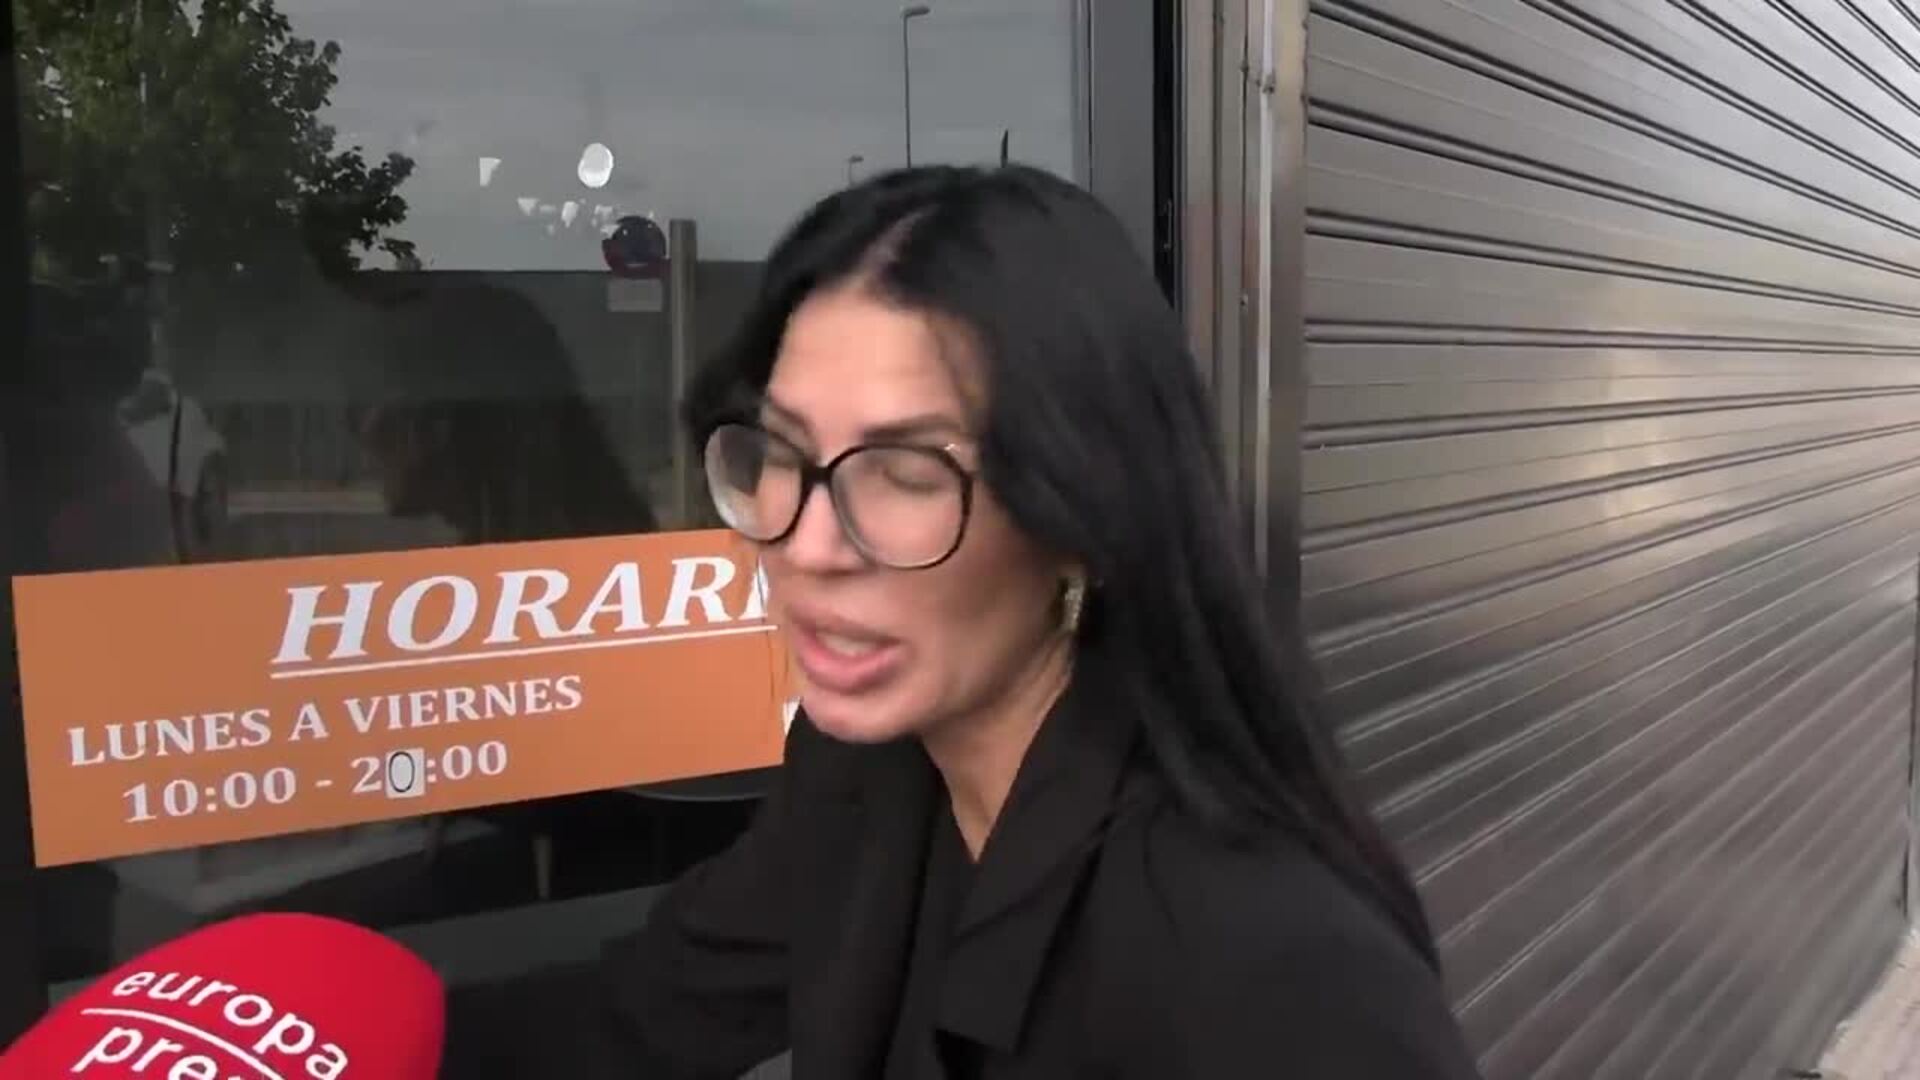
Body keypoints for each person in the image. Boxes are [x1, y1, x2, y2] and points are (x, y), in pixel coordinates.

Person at [442, 165, 1483, 1078]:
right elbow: (649, 1014)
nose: (808, 544)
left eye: (905, 472)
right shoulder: (864, 776)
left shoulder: (1268, 966)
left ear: (1081, 513)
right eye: (780, 452)